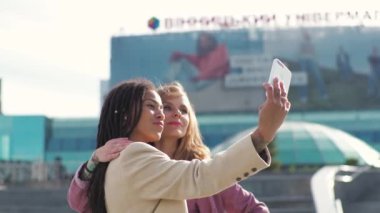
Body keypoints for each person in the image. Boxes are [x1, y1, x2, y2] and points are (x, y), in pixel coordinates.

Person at [71, 77, 289, 212]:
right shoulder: (134, 156)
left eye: (183, 110)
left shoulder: (205, 166)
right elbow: (83, 201)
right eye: (161, 107)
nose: (170, 114)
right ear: (129, 115)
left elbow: (252, 208)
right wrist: (264, 133)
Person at [298, 30, 328, 103]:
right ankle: (303, 96)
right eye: (305, 34)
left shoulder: (312, 42)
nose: (306, 35)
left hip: (312, 60)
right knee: (303, 78)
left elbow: (313, 52)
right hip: (303, 60)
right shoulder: (301, 43)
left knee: (318, 76)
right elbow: (302, 51)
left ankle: (324, 94)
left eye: (307, 34)